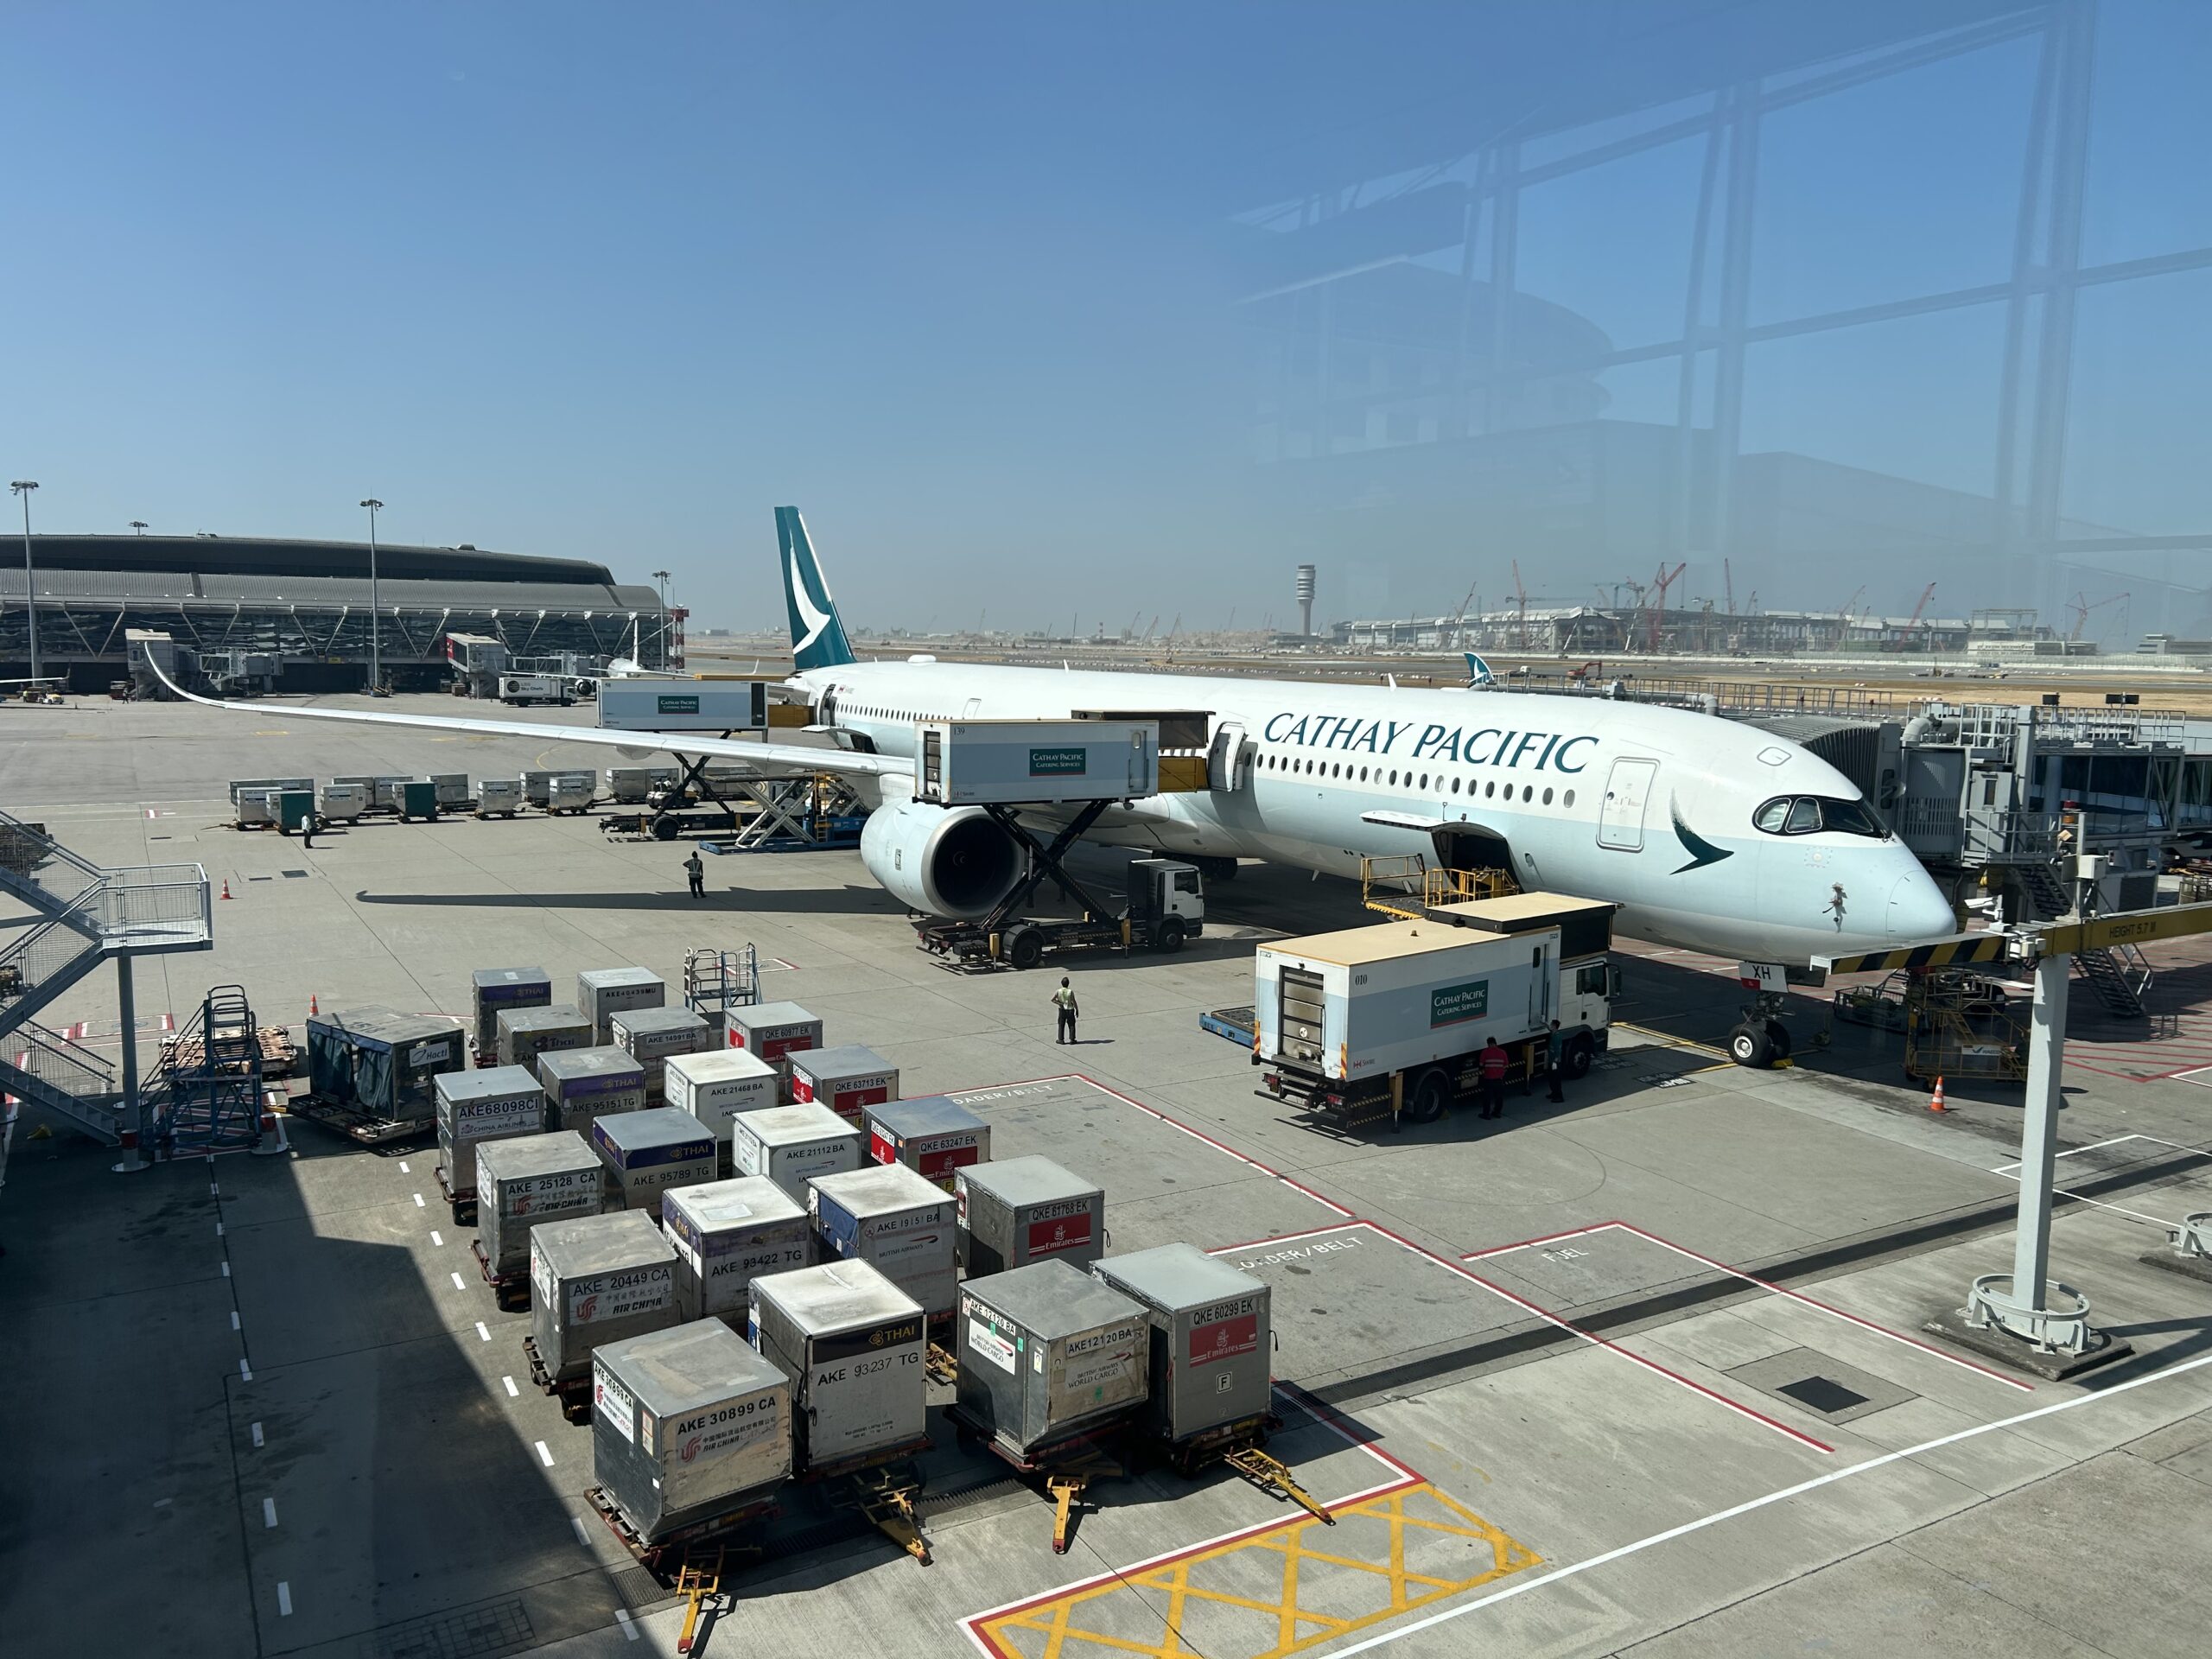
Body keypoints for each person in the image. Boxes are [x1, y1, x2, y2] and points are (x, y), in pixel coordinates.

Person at [1478, 1035, 1509, 1119]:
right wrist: (1501, 1074)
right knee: (1499, 1097)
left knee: (1487, 1098)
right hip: (1499, 1079)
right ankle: (1497, 1112)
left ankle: (1486, 1114)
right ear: (1495, 1043)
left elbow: (1481, 1065)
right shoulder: (1503, 1052)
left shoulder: (1485, 1052)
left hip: (1489, 1079)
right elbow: (1506, 1066)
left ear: (1489, 1044)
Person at [1052, 977, 1078, 1045]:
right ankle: (1072, 1039)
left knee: (1061, 1024)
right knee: (1072, 1024)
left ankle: (1061, 1039)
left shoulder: (1058, 991)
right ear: (1068, 984)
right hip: (1070, 1009)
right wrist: (1077, 1009)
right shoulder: (1070, 991)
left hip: (1062, 1010)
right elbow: (1073, 1001)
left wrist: (1060, 1004)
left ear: (1061, 983)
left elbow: (1053, 1000)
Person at [1545, 1019, 1566, 1103]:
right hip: (1552, 1061)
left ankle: (1559, 1096)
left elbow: (1557, 1050)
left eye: (1551, 1024)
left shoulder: (1556, 1037)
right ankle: (1554, 1093)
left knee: (1556, 1079)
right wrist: (1544, 1024)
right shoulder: (1554, 1033)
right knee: (1551, 1078)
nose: (1550, 1025)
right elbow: (1549, 1029)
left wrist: (1555, 1062)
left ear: (1554, 1026)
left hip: (1555, 1062)